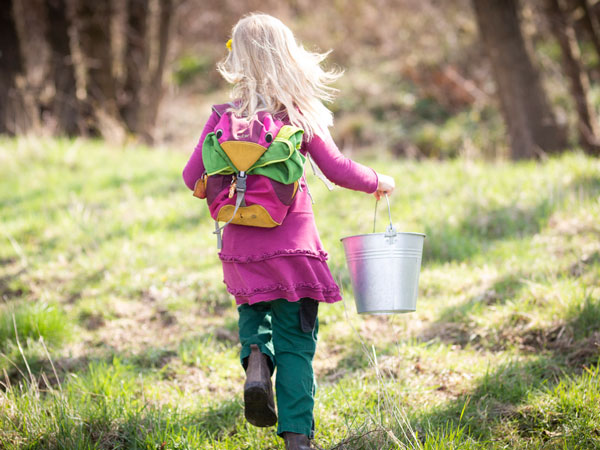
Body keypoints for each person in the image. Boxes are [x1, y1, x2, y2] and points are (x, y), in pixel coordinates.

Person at [182, 13, 395, 450]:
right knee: (296, 344)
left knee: (253, 323)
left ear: (237, 59)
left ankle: (256, 359)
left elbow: (190, 177)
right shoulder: (296, 115)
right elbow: (337, 169)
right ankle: (298, 439)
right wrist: (379, 180)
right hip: (294, 251)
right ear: (289, 55)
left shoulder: (222, 117)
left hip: (241, 251)